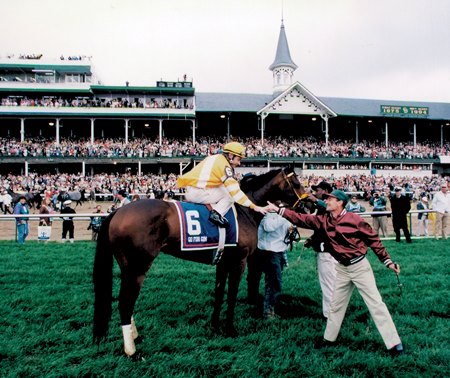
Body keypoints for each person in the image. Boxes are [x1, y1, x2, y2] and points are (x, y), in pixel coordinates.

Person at [266, 190, 404, 356]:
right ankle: (329, 339)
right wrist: (279, 210)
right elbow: (302, 219)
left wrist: (387, 261)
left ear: (340, 202)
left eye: (330, 199)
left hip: (360, 268)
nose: (327, 201)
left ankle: (395, 344)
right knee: (336, 306)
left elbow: (374, 240)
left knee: (376, 304)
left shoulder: (355, 220)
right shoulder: (323, 220)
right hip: (342, 269)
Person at [176, 141, 268, 228]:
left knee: (224, 187)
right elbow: (235, 193)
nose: (239, 163)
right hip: (196, 192)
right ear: (231, 155)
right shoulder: (224, 166)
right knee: (230, 195)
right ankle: (216, 214)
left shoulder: (216, 157)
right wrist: (254, 206)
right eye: (238, 159)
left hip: (193, 189)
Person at [305, 181, 337, 318]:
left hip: (327, 252)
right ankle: (334, 312)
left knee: (328, 284)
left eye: (317, 190)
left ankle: (330, 315)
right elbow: (322, 228)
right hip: (330, 250)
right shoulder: (324, 207)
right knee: (332, 283)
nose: (315, 192)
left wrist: (316, 200)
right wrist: (312, 239)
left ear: (324, 191)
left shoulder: (329, 206)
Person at [257, 206, 292, 319]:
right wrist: (284, 216)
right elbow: (269, 227)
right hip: (269, 252)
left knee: (273, 282)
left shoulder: (282, 218)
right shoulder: (267, 216)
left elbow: (287, 231)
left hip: (279, 251)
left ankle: (269, 308)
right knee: (274, 283)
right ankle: (268, 312)